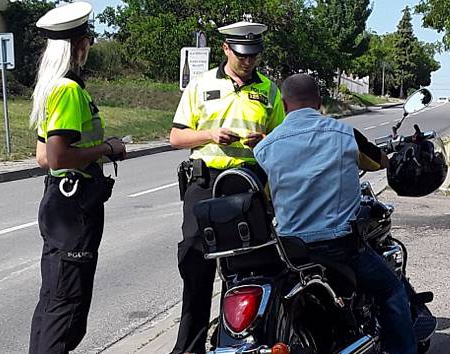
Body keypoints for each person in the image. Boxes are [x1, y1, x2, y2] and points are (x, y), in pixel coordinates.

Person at [253, 74, 417, 354]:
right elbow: (379, 161)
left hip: (292, 253)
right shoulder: (344, 134)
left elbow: (266, 195)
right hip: (340, 247)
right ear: (319, 102)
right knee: (392, 291)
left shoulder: (265, 148)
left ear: (283, 103)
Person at [169, 21, 285, 354]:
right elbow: (176, 137)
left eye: (254, 55)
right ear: (226, 50)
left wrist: (264, 139)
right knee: (196, 267)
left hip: (247, 186)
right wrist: (210, 135)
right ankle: (188, 348)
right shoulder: (201, 85)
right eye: (241, 55)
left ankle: (245, 339)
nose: (248, 61)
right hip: (205, 183)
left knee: (251, 265)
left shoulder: (269, 90)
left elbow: (279, 140)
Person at [28, 3, 126, 353]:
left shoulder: (51, 88)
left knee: (54, 299)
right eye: (88, 40)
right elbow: (56, 156)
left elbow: (43, 157)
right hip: (74, 207)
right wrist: (106, 149)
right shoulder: (69, 90)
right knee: (68, 305)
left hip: (59, 201)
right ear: (79, 45)